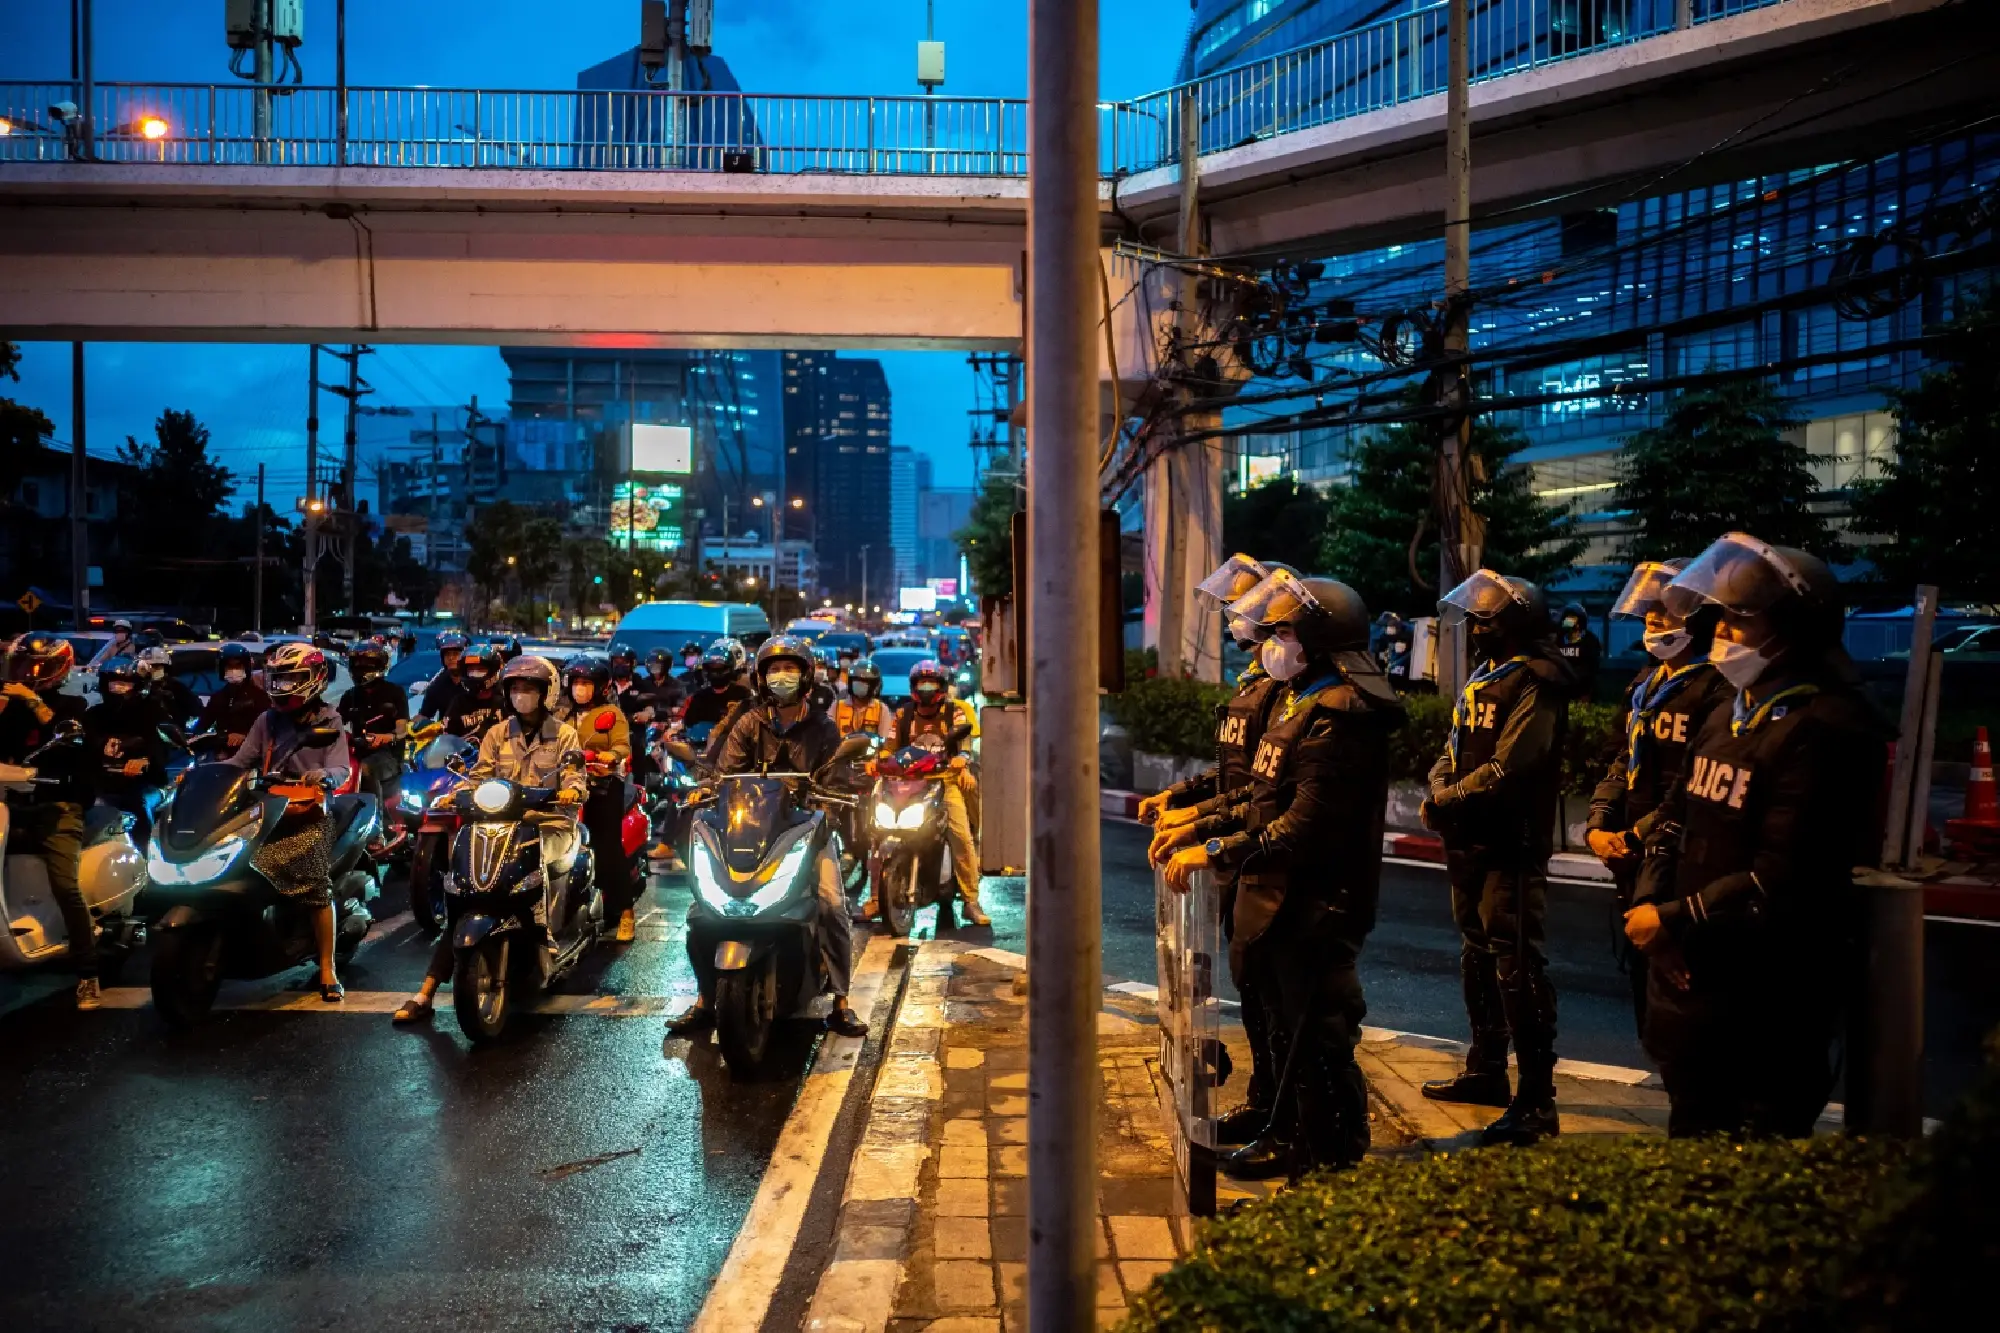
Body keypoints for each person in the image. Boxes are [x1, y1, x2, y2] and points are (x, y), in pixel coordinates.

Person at [1628, 534, 1890, 1138]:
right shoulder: (1726, 712)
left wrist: (1673, 919)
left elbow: (1783, 873)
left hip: (1770, 995)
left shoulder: (1825, 727)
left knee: (1755, 1156)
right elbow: (1675, 818)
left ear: (1793, 628)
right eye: (1721, 619)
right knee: (1690, 1144)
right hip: (1693, 980)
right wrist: (1653, 913)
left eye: (1741, 622)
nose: (1722, 633)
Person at [1150, 572, 1403, 1177]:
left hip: (1320, 900)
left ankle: (1331, 1162)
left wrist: (1215, 851)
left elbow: (1304, 826)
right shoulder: (1299, 702)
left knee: (1318, 1037)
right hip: (1280, 896)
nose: (1271, 641)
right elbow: (1260, 795)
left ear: (1318, 637)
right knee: (1286, 1032)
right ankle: (1290, 1137)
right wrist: (1197, 826)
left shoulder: (1343, 713)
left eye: (1284, 631)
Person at [1418, 569, 1575, 1146]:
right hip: (1470, 838)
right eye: (1475, 617)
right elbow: (1454, 748)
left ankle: (1536, 1099)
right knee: (1477, 955)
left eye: (1487, 619)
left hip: (1511, 840)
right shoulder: (1487, 675)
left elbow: (1513, 765)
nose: (1477, 628)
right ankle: (1486, 1070)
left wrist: (1449, 800)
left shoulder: (1538, 680)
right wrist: (1440, 788)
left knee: (1516, 964)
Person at [1139, 554, 1291, 1147]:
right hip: (1236, 844)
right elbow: (1232, 774)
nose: (1234, 618)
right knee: (1250, 988)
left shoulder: (1285, 692)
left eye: (1244, 607)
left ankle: (1278, 1112)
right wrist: (1182, 798)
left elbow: (1263, 789)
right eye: (1233, 608)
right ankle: (1263, 1102)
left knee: (1272, 994)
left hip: (1258, 852)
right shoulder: (1256, 686)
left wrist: (1205, 826)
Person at [666, 636, 868, 1039]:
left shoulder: (823, 726)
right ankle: (707, 999)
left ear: (806, 675)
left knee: (831, 903)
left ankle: (842, 1002)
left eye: (789, 669)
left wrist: (824, 806)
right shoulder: (748, 721)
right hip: (752, 826)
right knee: (702, 908)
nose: (781, 677)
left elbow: (836, 778)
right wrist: (705, 786)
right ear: (760, 678)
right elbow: (723, 772)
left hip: (805, 829)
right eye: (774, 670)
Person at [394, 655, 584, 1023]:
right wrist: (456, 792)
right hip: (497, 826)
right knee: (465, 891)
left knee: (535, 868)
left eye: (528, 689)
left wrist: (572, 792)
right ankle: (426, 990)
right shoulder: (497, 734)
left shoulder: (564, 735)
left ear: (547, 693)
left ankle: (544, 938)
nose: (520, 695)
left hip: (549, 825)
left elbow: (575, 776)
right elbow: (479, 777)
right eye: (515, 689)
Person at [1585, 561, 1730, 1034]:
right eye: (1649, 610)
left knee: (1684, 996)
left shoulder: (1718, 689)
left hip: (1677, 859)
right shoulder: (1644, 686)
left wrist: (1635, 834)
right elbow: (1619, 761)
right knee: (1643, 988)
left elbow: (1691, 783)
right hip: (1632, 861)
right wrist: (1598, 824)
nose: (1652, 619)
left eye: (1667, 612)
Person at [222, 642, 353, 1002]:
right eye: (278, 679)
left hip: (309, 812)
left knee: (314, 881)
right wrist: (209, 776)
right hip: (264, 810)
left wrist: (323, 776)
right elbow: (242, 760)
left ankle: (327, 968)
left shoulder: (330, 719)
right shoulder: (267, 719)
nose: (282, 686)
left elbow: (341, 767)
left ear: (315, 679)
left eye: (291, 678)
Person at [1, 633, 99, 1009]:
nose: (26, 672)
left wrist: (34, 702)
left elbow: (76, 746)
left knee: (64, 883)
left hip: (57, 806)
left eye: (35, 666)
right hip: (9, 804)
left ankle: (88, 972)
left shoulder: (74, 706)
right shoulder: (8, 709)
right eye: (21, 665)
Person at [880, 658, 987, 926]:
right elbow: (889, 746)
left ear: (941, 686)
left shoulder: (954, 713)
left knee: (960, 836)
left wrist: (962, 757)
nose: (926, 688)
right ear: (913, 687)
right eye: (921, 683)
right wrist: (878, 759)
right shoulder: (903, 715)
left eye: (932, 683)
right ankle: (874, 898)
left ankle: (971, 901)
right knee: (877, 831)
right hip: (907, 784)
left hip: (944, 781)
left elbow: (965, 743)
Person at [556, 655, 640, 943]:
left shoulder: (611, 714)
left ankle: (626, 912)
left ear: (601, 687)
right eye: (576, 682)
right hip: (567, 784)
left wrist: (610, 755)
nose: (580, 689)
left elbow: (622, 745)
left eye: (586, 683)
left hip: (603, 783)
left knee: (606, 845)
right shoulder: (560, 714)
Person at [82, 656, 172, 851]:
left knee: (137, 803)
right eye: (113, 683)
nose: (118, 689)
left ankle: (143, 856)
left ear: (138, 685)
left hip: (146, 783)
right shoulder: (93, 715)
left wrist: (146, 761)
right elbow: (83, 745)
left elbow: (164, 748)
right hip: (103, 784)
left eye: (124, 684)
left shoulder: (155, 712)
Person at [338, 640, 409, 814]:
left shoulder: (395, 693)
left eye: (367, 664)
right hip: (357, 752)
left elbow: (402, 729)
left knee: (364, 769)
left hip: (388, 756)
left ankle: (378, 820)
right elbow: (336, 724)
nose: (361, 667)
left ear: (380, 665)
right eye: (357, 663)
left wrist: (386, 738)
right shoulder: (350, 696)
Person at [195, 642, 273, 751]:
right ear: (223, 669)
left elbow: (267, 730)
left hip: (252, 755)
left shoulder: (259, 696)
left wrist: (244, 736)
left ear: (246, 668)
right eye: (229, 666)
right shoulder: (218, 697)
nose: (233, 670)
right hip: (221, 754)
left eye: (238, 666)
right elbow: (201, 727)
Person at [679, 638, 754, 743]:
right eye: (712, 668)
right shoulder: (699, 697)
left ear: (729, 668)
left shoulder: (742, 694)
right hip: (701, 749)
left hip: (734, 748)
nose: (715, 672)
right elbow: (688, 725)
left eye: (720, 668)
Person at [442, 642, 505, 739]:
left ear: (493, 672)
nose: (475, 673)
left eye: (480, 669)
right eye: (471, 670)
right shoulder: (459, 703)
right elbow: (447, 739)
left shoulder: (504, 702)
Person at [138, 645, 200, 733]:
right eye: (148, 667)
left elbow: (195, 709)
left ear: (166, 668)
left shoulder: (175, 686)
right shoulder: (136, 687)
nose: (151, 670)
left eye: (156, 666)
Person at [414, 630, 469, 727]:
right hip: (447, 737)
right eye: (447, 654)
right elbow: (425, 715)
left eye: (456, 654)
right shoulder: (438, 684)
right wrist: (412, 725)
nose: (451, 658)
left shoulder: (476, 681)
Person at [833, 658, 893, 739]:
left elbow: (884, 739)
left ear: (874, 686)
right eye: (857, 680)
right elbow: (830, 736)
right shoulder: (837, 707)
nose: (860, 684)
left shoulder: (881, 709)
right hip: (842, 750)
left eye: (865, 681)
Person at [1555, 602, 1603, 699]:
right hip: (1561, 690)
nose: (1567, 619)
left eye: (1571, 617)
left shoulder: (1590, 640)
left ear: (1580, 621)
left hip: (1582, 691)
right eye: (1566, 616)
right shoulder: (1558, 639)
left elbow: (1593, 667)